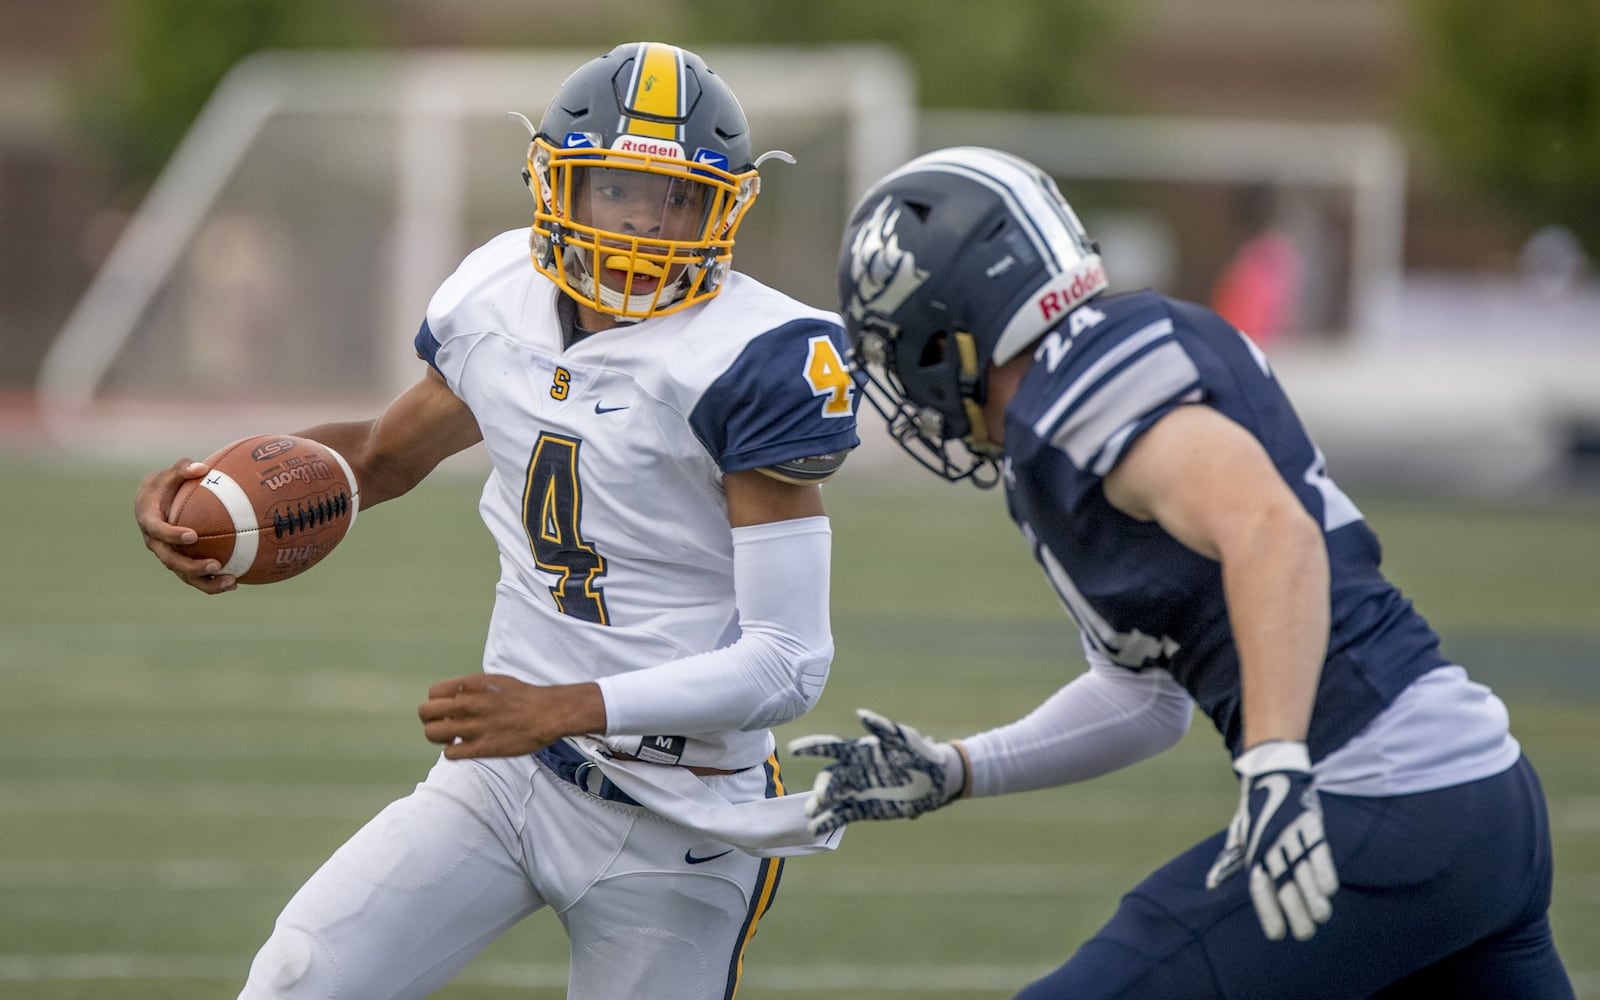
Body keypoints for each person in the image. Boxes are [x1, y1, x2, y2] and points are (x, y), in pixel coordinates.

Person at [134, 41, 859, 1000]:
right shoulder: (498, 300)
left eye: (677, 198)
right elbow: (382, 458)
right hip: (506, 777)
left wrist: (565, 705)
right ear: (555, 185)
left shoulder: (753, 357)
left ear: (724, 207)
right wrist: (217, 503)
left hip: (684, 811)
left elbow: (787, 661)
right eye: (615, 188)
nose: (645, 221)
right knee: (297, 978)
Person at [789, 146, 1574, 999]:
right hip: (1478, 801)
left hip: (1382, 791)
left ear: (956, 324)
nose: (908, 383)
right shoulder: (1086, 395)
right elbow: (1143, 698)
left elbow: (1272, 533)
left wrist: (1275, 763)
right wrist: (962, 767)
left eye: (904, 348)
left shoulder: (1080, 393)